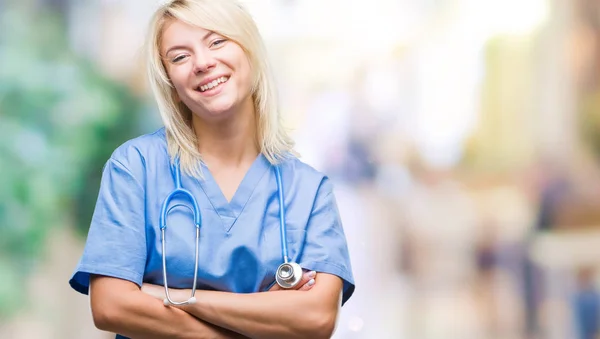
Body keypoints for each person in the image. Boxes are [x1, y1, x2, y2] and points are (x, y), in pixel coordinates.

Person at [67, 1, 355, 338]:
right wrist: (258, 320)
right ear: (170, 84)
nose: (203, 63)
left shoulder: (308, 191)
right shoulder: (135, 167)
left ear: (250, 51)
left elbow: (317, 318)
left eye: (217, 42)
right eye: (179, 57)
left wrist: (162, 295)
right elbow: (111, 306)